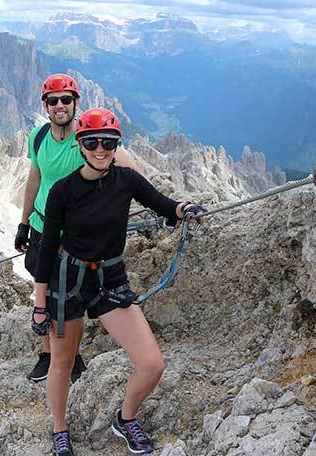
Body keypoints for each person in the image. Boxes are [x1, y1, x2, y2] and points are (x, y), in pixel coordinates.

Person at [31, 108, 206, 455]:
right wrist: (40, 305)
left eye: (108, 142)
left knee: (152, 364)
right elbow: (48, 249)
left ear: (116, 145)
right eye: (92, 141)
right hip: (66, 283)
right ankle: (60, 429)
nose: (100, 149)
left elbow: (161, 203)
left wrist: (183, 208)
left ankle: (125, 419)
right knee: (62, 363)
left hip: (109, 281)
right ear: (80, 145)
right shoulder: (63, 192)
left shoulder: (126, 180)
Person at [15, 73, 140, 383]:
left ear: (76, 103)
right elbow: (35, 178)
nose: (60, 106)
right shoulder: (39, 137)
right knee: (43, 287)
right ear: (45, 105)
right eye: (53, 100)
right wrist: (23, 222)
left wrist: (165, 205)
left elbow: (131, 173)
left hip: (73, 235)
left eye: (66, 100)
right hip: (42, 225)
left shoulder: (89, 138)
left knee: (68, 294)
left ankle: (70, 355)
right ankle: (47, 355)